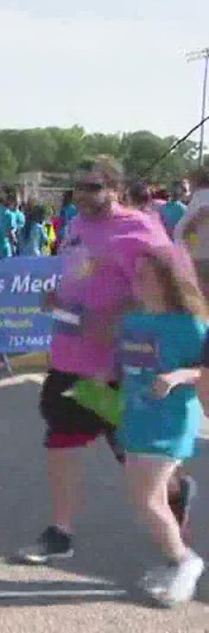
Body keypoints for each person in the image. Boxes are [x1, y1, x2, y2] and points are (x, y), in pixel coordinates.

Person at [15, 156, 195, 564]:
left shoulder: (141, 229)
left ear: (115, 188)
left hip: (119, 366)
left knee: (134, 455)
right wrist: (59, 300)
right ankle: (60, 533)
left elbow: (166, 291)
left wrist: (115, 320)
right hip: (70, 357)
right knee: (62, 439)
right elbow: (81, 277)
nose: (82, 195)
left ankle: (175, 502)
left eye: (93, 187)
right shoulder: (76, 225)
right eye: (77, 187)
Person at [117, 250, 206, 605]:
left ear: (168, 280)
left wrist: (177, 376)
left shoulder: (192, 325)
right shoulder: (133, 321)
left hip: (170, 421)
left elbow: (204, 371)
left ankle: (186, 562)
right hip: (135, 417)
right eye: (137, 274)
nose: (137, 282)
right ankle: (174, 558)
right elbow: (124, 367)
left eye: (146, 275)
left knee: (146, 501)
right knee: (143, 499)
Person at [173, 167, 209, 295]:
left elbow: (204, 212)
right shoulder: (200, 196)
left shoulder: (204, 196)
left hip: (201, 258)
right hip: (198, 255)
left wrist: (189, 237)